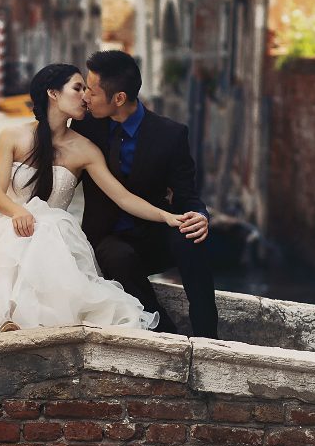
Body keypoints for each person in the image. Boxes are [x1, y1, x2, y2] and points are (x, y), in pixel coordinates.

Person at [0, 63, 186, 337]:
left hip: (57, 235)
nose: (85, 97)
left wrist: (167, 216)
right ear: (53, 93)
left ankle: (21, 325)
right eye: (78, 88)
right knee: (19, 241)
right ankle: (10, 321)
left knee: (44, 237)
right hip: (12, 227)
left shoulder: (85, 149)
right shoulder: (12, 136)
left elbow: (123, 198)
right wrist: (17, 212)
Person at [73, 50, 219, 338]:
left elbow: (187, 195)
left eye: (91, 90)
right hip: (107, 240)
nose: (85, 97)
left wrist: (201, 216)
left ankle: (208, 338)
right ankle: (167, 333)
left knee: (191, 238)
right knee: (117, 256)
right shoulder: (84, 126)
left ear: (119, 98)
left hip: (153, 234)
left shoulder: (171, 134)